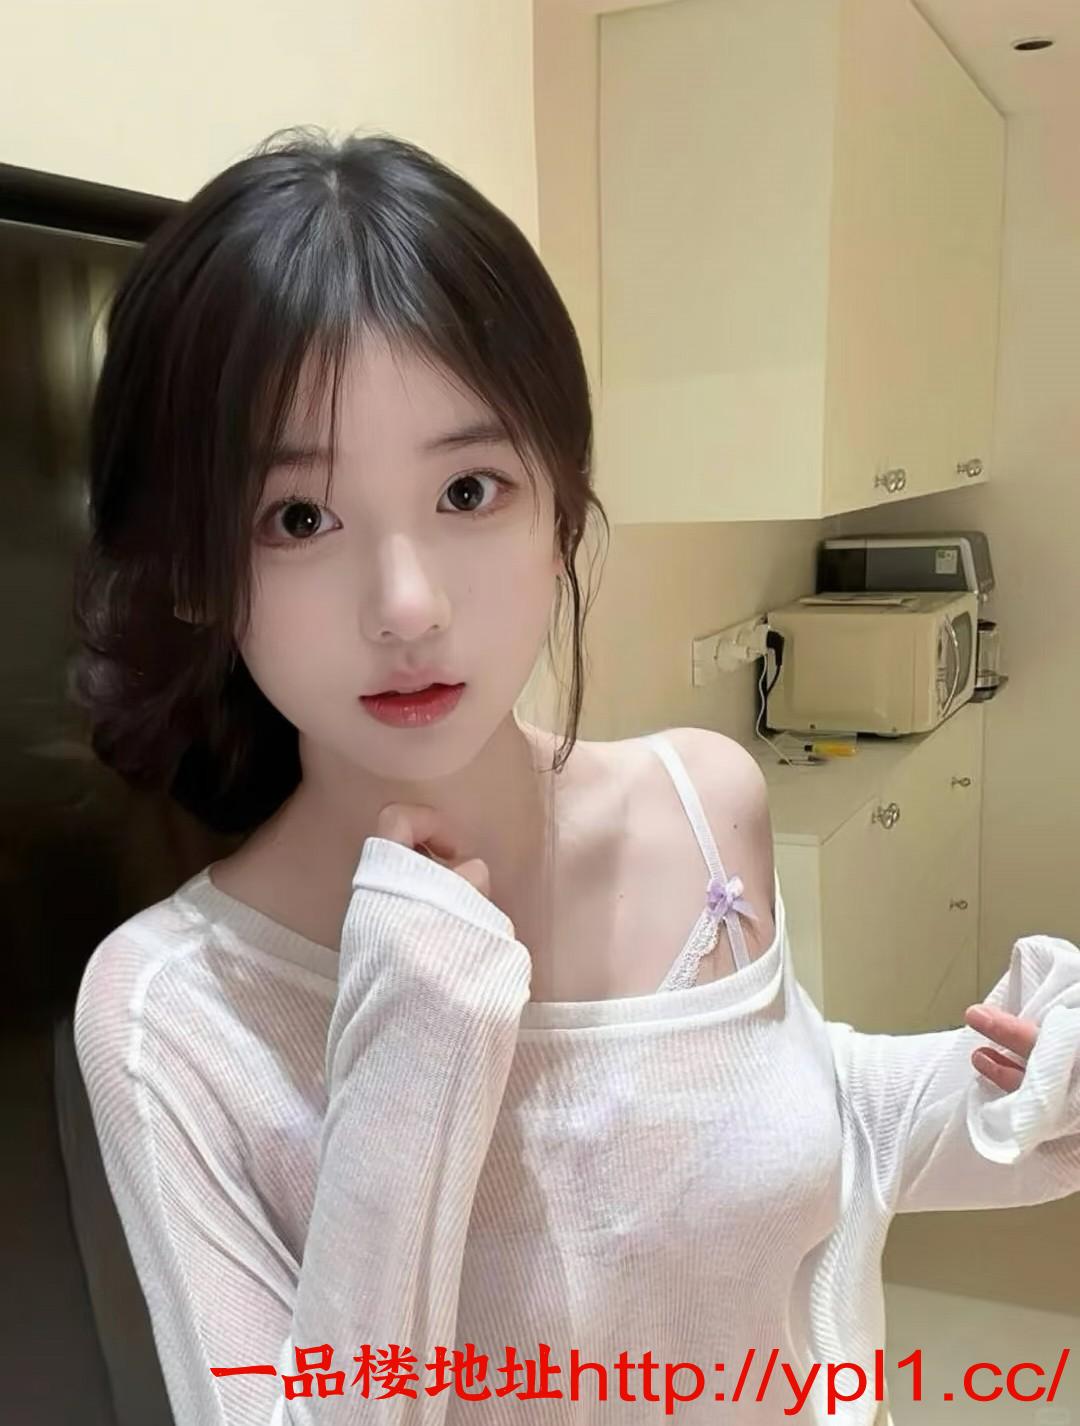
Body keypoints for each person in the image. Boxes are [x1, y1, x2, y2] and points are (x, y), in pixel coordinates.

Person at [71, 130, 1080, 1426]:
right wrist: (418, 1040)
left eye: (469, 488)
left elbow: (765, 1134)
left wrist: (1019, 1091)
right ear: (195, 569)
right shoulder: (172, 1013)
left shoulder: (703, 807)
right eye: (299, 518)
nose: (408, 604)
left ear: (561, 507)